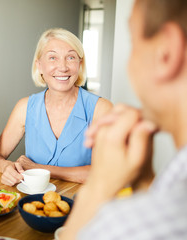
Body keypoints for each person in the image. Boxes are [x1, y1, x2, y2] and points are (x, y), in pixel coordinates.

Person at [62, 0, 187, 239]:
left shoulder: (126, 226)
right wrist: (145, 182)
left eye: (133, 43)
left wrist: (97, 188)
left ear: (166, 52)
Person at [0, 28, 112, 186]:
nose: (62, 67)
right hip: (32, 204)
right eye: (53, 58)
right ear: (39, 66)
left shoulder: (101, 109)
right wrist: (7, 167)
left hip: (81, 205)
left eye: (70, 57)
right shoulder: (25, 107)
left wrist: (38, 168)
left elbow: (105, 172)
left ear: (79, 64)